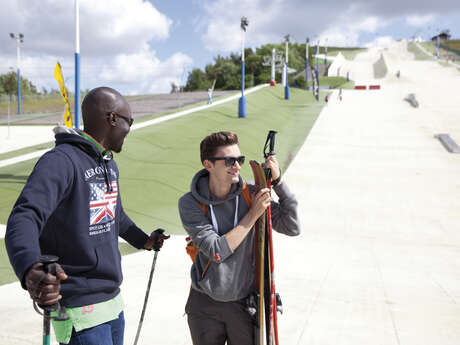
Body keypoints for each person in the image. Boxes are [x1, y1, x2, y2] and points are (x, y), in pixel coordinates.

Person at [5, 86, 170, 345]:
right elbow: (24, 216)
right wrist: (30, 267)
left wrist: (144, 241)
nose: (130, 129)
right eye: (130, 121)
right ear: (112, 118)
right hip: (79, 307)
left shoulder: (107, 163)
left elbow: (114, 213)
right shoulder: (61, 161)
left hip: (111, 301)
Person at [178, 131, 300, 345]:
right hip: (204, 305)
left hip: (244, 305)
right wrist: (253, 214)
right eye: (229, 161)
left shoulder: (250, 193)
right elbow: (216, 250)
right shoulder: (190, 203)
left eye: (239, 160)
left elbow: (292, 226)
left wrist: (278, 182)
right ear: (208, 165)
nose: (237, 166)